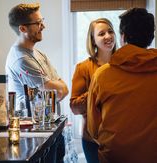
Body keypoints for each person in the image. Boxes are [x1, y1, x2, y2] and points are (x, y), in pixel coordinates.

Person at [87, 8, 157, 163]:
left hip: (114, 156)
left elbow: (93, 128)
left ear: (123, 36)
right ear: (151, 37)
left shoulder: (102, 75)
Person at [70, 18, 116, 163]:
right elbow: (75, 107)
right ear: (93, 40)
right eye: (101, 34)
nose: (108, 36)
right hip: (92, 140)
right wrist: (96, 91)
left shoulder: (124, 65)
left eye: (110, 31)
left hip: (121, 138)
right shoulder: (83, 68)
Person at [6, 3, 68, 110]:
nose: (43, 26)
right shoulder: (22, 59)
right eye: (38, 23)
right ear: (23, 29)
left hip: (47, 123)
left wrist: (54, 87)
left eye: (42, 21)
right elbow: (59, 92)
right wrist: (54, 85)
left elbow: (64, 89)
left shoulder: (40, 54)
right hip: (31, 125)